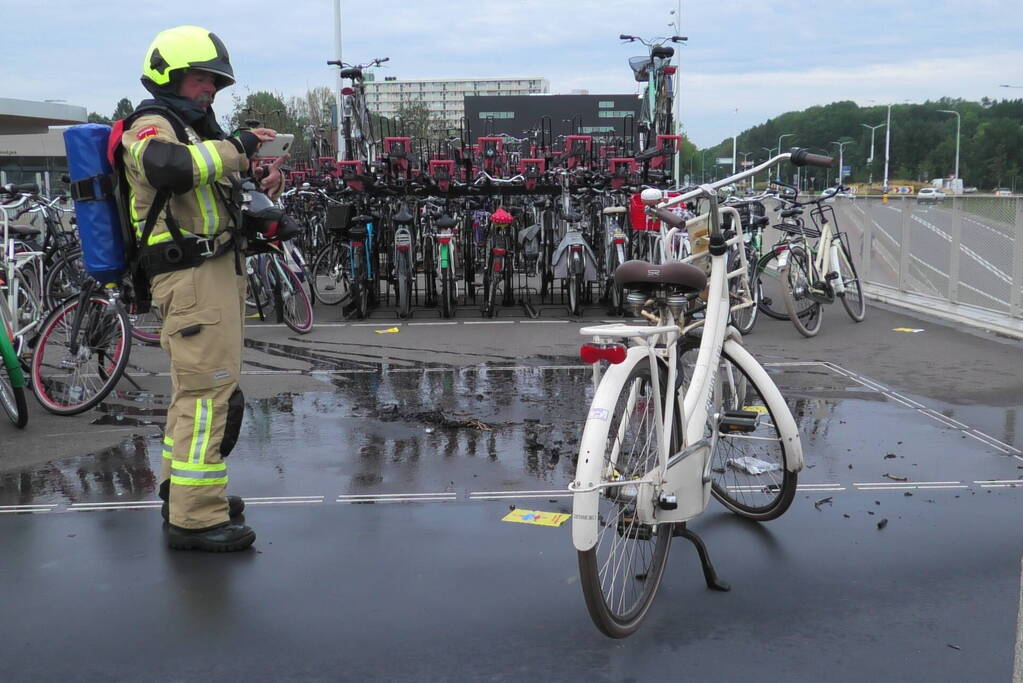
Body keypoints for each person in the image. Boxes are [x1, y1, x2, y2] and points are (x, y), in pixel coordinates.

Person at [121, 25, 284, 551]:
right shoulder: (151, 124)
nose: (211, 88)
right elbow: (165, 169)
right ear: (170, 74)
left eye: (216, 80)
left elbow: (209, 200)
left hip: (213, 273)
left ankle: (184, 492)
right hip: (190, 278)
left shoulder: (193, 131)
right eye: (201, 78)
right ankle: (196, 519)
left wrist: (259, 194)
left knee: (198, 393)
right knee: (209, 394)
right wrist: (236, 148)